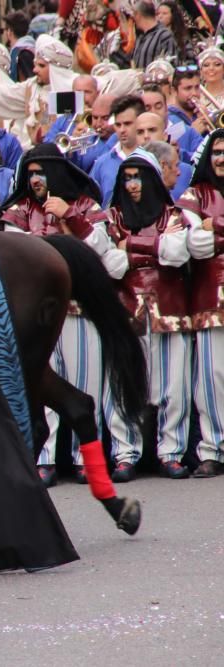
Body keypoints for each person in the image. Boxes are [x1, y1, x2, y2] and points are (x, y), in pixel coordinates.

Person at [0, 143, 111, 486]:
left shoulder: (85, 205)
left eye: (41, 172)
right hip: (38, 312)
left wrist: (71, 217)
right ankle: (44, 458)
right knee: (40, 383)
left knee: (83, 379)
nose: (34, 179)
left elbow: (101, 249)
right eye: (30, 172)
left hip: (79, 309)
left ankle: (83, 459)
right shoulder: (18, 211)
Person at [102, 151, 191, 482]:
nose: (132, 184)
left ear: (152, 179)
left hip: (169, 307)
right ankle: (125, 453)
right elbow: (110, 263)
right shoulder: (111, 217)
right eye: (127, 178)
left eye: (138, 177)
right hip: (126, 309)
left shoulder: (174, 215)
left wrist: (131, 246)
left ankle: (171, 451)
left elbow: (176, 253)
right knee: (123, 382)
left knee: (174, 385)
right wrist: (152, 247)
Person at [179, 129, 224, 478]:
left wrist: (217, 225)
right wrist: (207, 230)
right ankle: (212, 449)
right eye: (217, 153)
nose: (222, 158)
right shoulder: (195, 194)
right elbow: (196, 244)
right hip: (209, 297)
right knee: (211, 378)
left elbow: (210, 236)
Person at [90, 95, 147, 207]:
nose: (122, 130)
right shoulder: (102, 163)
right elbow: (91, 205)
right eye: (118, 125)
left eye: (127, 124)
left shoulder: (156, 158)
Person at [131, 0, 178, 69]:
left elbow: (171, 65)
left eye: (133, 15)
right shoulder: (140, 38)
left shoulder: (164, 36)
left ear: (138, 15)